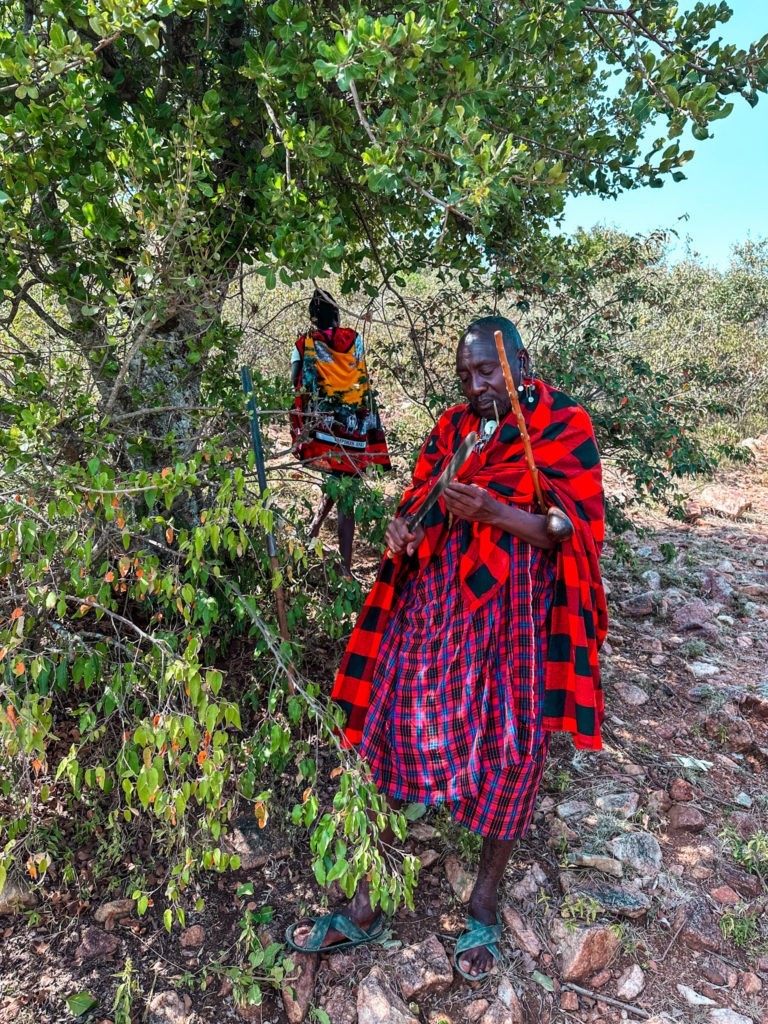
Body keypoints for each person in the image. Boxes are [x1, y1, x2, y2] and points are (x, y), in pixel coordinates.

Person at [287, 316, 608, 980]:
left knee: (512, 745)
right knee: (391, 723)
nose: (475, 384)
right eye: (465, 374)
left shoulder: (562, 425)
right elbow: (421, 505)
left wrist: (494, 513)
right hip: (439, 603)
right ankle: (368, 899)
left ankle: (484, 902)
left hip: (518, 611)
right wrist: (405, 528)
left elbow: (569, 528)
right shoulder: (452, 429)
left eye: (487, 370)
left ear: (520, 363)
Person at [290, 288, 391, 576]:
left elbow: (295, 385)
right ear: (337, 315)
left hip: (324, 431)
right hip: (355, 430)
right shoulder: (355, 340)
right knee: (344, 488)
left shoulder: (303, 344)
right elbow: (361, 379)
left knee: (338, 486)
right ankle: (334, 556)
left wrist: (300, 426)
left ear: (312, 317)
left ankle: (330, 553)